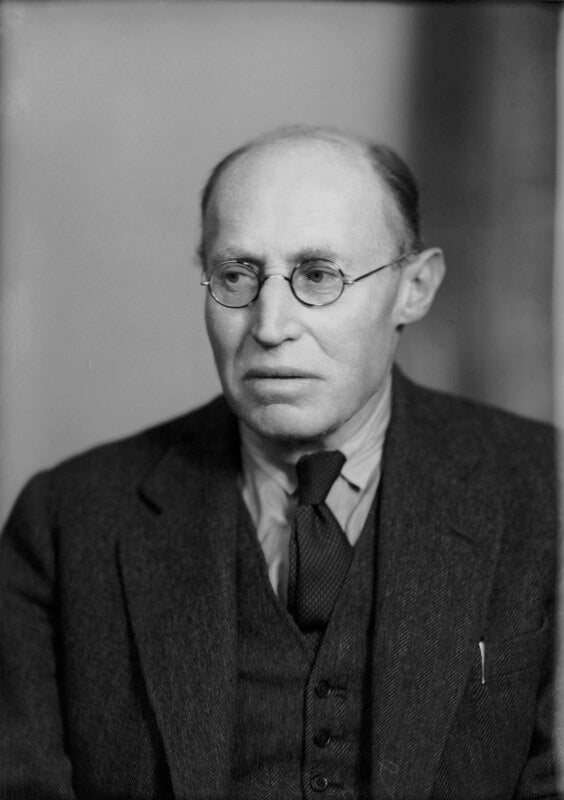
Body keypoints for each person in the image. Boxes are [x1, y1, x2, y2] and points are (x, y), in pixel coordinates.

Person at [0, 126, 557, 800]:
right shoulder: (67, 521)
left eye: (318, 276)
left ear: (415, 288)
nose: (269, 326)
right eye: (236, 276)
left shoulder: (544, 488)